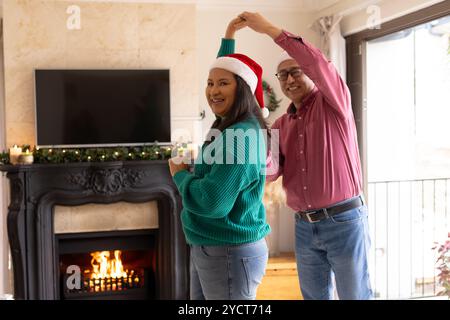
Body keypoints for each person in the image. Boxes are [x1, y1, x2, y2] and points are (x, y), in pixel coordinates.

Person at [220, 12, 373, 300]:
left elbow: (316, 62)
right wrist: (232, 166)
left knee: (356, 296)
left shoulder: (334, 105)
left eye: (295, 71)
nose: (289, 79)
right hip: (304, 226)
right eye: (282, 75)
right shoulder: (281, 125)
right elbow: (268, 171)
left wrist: (269, 29)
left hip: (344, 221)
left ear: (309, 74)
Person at [168, 53, 271, 300]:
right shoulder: (231, 128)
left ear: (243, 88)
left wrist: (181, 176)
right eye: (210, 83)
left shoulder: (239, 136)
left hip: (228, 250)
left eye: (223, 83)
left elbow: (214, 202)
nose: (213, 90)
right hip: (214, 246)